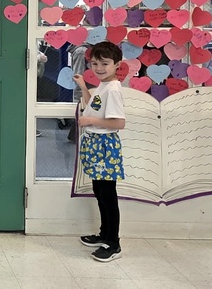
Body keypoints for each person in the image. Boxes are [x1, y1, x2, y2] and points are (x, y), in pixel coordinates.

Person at [73, 41, 126, 262]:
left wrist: (90, 120)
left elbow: (119, 123)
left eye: (105, 63)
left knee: (107, 195)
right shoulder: (104, 86)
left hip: (105, 145)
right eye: (95, 63)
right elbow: (92, 106)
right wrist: (84, 87)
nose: (99, 68)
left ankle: (113, 243)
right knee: (100, 191)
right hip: (95, 143)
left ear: (117, 65)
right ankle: (104, 234)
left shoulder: (113, 89)